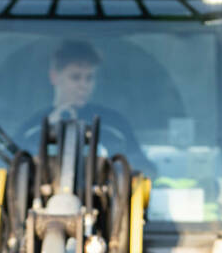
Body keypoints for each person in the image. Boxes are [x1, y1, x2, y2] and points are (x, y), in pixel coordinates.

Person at [19, 39, 145, 167]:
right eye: (75, 77)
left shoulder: (115, 125)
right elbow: (12, 166)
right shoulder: (33, 129)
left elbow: (144, 168)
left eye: (89, 78)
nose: (83, 85)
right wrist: (46, 131)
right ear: (54, 77)